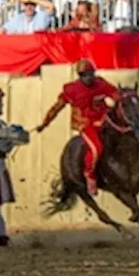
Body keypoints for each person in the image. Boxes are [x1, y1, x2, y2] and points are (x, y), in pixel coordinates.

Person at [34, 59, 120, 196]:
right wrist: (45, 123)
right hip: (86, 124)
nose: (88, 78)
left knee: (130, 133)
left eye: (90, 74)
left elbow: (116, 95)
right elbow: (57, 107)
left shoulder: (101, 84)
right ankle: (90, 175)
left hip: (105, 120)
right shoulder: (71, 90)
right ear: (79, 76)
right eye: (84, 75)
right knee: (97, 148)